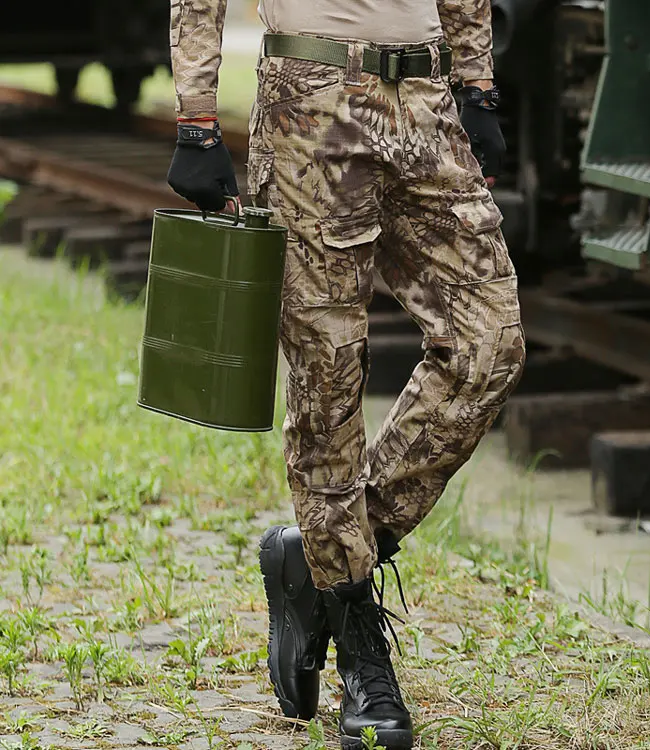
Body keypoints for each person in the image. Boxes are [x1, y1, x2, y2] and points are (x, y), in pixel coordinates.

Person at [166, 1, 526, 747]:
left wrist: (476, 79)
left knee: (490, 343)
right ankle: (363, 655)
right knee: (327, 384)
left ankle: (319, 558)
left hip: (426, 105)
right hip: (311, 101)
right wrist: (197, 116)